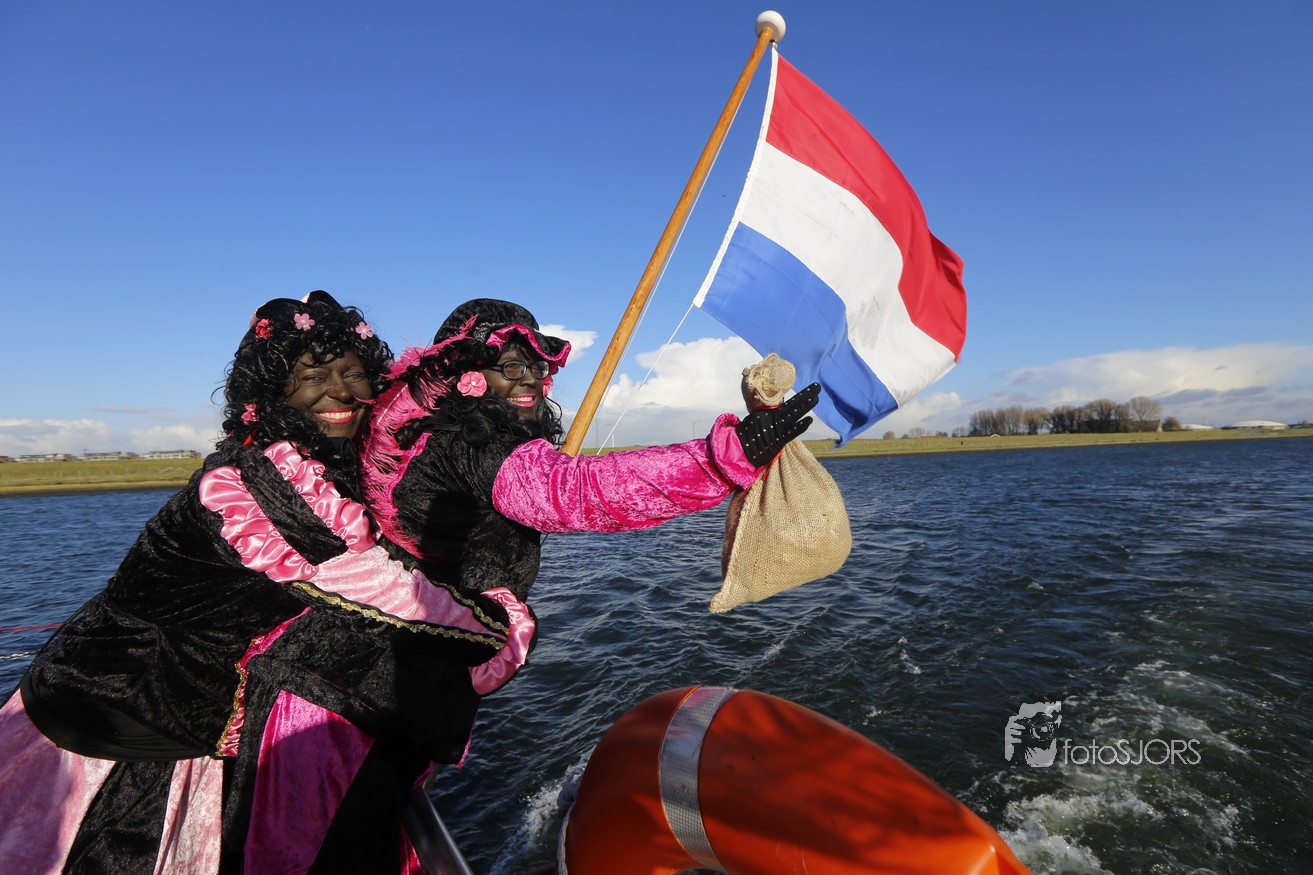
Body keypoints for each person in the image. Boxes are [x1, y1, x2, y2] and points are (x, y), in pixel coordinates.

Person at [0, 291, 534, 873]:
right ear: (272, 390)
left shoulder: (320, 463)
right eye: (313, 376)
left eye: (354, 373)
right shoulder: (254, 483)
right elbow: (383, 587)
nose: (341, 391)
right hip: (120, 714)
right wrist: (500, 628)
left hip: (196, 706)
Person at [360, 297, 820, 602]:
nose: (530, 379)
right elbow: (575, 491)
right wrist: (726, 456)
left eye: (537, 366)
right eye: (511, 366)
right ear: (466, 375)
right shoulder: (469, 443)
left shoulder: (445, 436)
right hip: (395, 668)